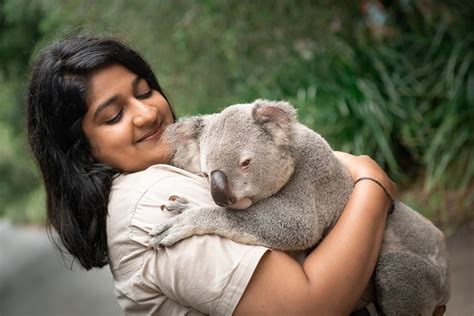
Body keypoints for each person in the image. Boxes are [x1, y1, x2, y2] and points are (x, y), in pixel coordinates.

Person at [27, 36, 395, 315]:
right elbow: (308, 306)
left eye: (145, 91)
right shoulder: (147, 202)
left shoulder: (183, 162)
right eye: (113, 116)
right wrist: (372, 185)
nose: (147, 113)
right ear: (82, 149)